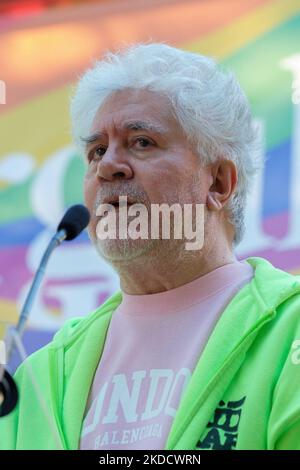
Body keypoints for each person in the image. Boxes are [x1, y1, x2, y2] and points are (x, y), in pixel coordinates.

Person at [1, 43, 300, 450]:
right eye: (97, 151)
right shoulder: (39, 377)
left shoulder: (291, 330)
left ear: (218, 183)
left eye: (141, 142)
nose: (108, 166)